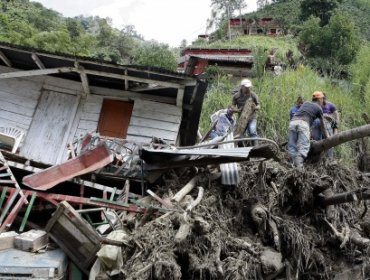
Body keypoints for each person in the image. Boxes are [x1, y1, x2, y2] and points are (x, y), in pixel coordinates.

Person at [287, 91, 329, 168]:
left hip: (293, 123)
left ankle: (292, 167)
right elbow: (323, 125)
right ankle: (299, 169)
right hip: (303, 123)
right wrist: (327, 138)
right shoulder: (319, 108)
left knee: (292, 146)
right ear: (319, 99)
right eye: (322, 99)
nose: (323, 101)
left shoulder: (306, 103)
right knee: (303, 148)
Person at [232, 79, 260, 144]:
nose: (248, 89)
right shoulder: (236, 96)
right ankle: (241, 149)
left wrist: (255, 107)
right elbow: (232, 106)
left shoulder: (253, 95)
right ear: (242, 87)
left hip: (251, 118)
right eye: (246, 87)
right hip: (242, 119)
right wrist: (237, 110)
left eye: (249, 87)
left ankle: (256, 147)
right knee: (239, 135)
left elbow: (259, 106)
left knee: (252, 131)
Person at [311, 93, 339, 158]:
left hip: (327, 124)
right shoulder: (315, 106)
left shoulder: (331, 106)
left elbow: (336, 120)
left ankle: (329, 158)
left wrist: (335, 133)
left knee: (329, 142)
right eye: (321, 99)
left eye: (323, 98)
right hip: (317, 124)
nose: (323, 100)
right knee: (317, 141)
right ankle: (316, 158)